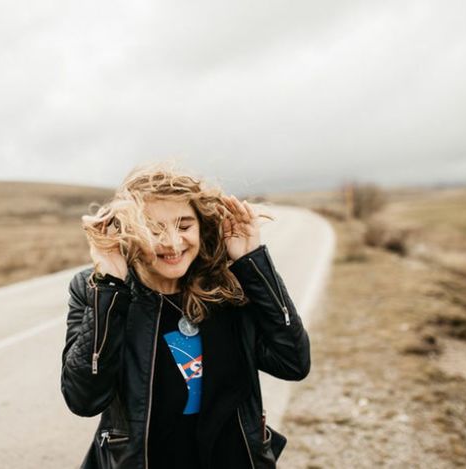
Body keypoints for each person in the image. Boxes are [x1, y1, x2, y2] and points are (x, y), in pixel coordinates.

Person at [60, 162, 310, 469]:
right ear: (131, 231)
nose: (173, 243)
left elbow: (293, 362)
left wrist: (252, 262)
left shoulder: (230, 287)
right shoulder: (97, 290)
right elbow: (84, 399)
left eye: (184, 225)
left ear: (201, 226)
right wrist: (110, 285)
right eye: (154, 229)